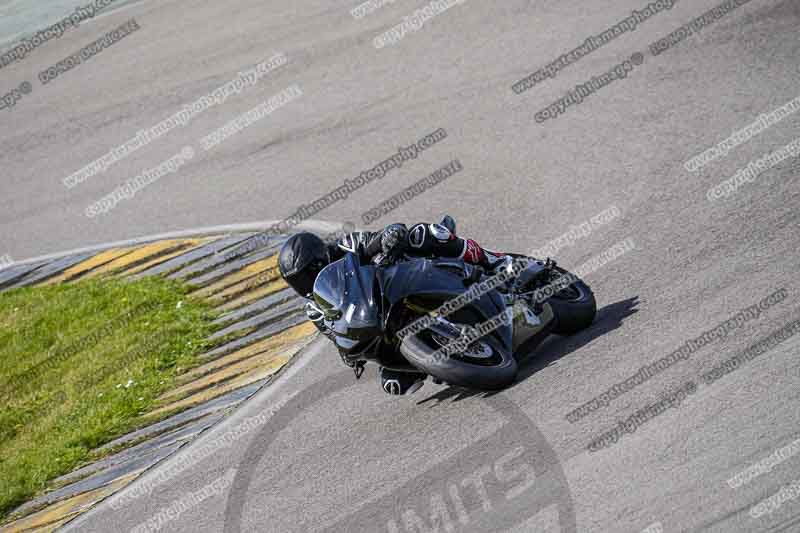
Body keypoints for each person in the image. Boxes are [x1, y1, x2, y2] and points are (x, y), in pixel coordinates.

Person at [278, 216, 506, 395]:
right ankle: (447, 355)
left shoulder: (346, 246)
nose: (304, 284)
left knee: (424, 234)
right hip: (380, 321)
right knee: (395, 382)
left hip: (403, 277)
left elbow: (376, 238)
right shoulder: (315, 308)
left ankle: (494, 260)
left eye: (305, 275)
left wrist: (389, 235)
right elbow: (336, 333)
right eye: (296, 281)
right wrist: (349, 354)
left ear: (320, 257)